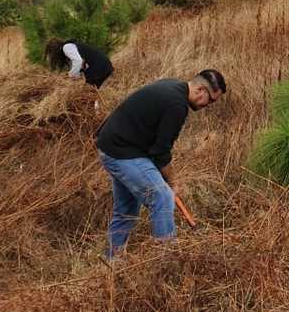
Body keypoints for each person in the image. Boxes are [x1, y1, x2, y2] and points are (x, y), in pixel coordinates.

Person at [95, 69, 226, 258]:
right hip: (123, 152)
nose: (209, 105)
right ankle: (165, 264)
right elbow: (160, 153)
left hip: (111, 147)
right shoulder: (177, 105)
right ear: (200, 90)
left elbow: (155, 148)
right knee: (163, 198)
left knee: (126, 211)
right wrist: (172, 183)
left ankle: (110, 262)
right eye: (211, 100)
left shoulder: (172, 86)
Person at [45, 38, 114, 88]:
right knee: (94, 94)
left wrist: (70, 76)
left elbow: (78, 61)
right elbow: (81, 65)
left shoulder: (66, 47)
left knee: (90, 94)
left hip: (100, 68)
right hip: (103, 66)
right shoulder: (71, 46)